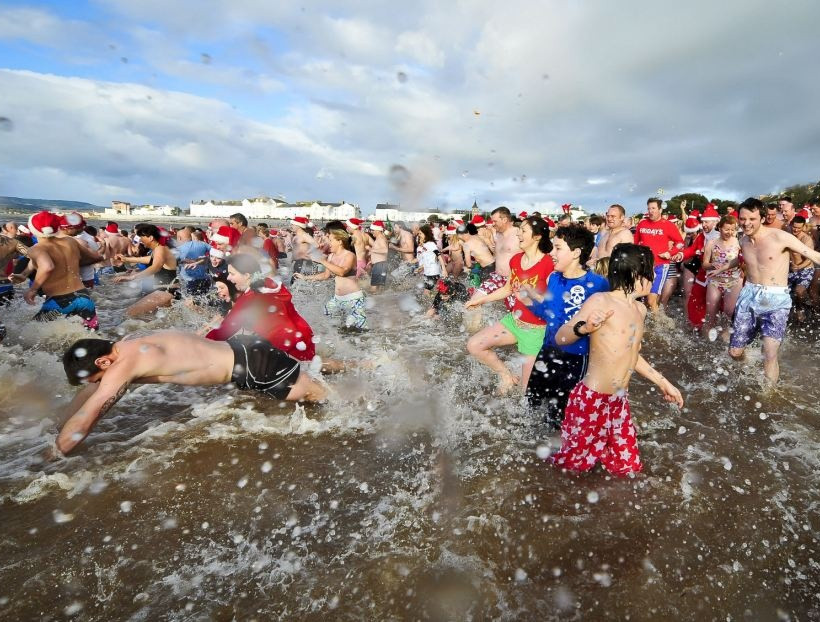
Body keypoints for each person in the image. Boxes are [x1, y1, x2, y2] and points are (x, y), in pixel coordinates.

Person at [50, 332, 328, 457]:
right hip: (244, 350)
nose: (102, 382)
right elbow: (92, 392)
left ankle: (367, 404)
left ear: (102, 363)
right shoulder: (129, 345)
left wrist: (53, 456)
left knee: (327, 400)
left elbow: (92, 412)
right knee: (312, 396)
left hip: (252, 366)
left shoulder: (123, 366)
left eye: (99, 376)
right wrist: (62, 425)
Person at [549, 243, 684, 475]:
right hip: (591, 401)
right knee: (572, 468)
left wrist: (663, 382)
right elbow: (561, 336)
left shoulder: (639, 310)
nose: (654, 276)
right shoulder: (602, 301)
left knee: (627, 468)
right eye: (651, 271)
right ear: (635, 273)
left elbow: (631, 355)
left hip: (618, 402)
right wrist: (585, 328)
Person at [524, 224, 610, 430]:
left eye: (558, 248)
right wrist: (531, 301)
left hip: (575, 360)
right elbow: (549, 311)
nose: (551, 253)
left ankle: (559, 456)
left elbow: (609, 326)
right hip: (547, 352)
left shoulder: (598, 285)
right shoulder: (554, 278)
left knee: (559, 418)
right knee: (530, 407)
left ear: (576, 253)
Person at [728, 198, 820, 384]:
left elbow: (813, 255)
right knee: (734, 352)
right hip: (749, 295)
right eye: (743, 219)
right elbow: (742, 259)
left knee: (770, 354)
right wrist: (722, 268)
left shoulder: (779, 237)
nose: (746, 223)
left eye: (752, 219)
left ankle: (769, 396)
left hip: (776, 299)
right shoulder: (743, 240)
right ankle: (749, 365)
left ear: (762, 218)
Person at [464, 217, 554, 394]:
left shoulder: (549, 264)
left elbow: (554, 302)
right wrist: (480, 300)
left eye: (524, 231)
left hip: (536, 330)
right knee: (474, 345)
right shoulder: (516, 260)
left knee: (525, 392)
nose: (519, 234)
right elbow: (508, 288)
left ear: (537, 237)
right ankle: (506, 375)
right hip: (514, 321)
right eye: (519, 229)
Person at [206, 253, 316, 361]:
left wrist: (200, 343)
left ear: (247, 275)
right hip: (303, 336)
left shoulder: (249, 300)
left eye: (232, 273)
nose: (228, 277)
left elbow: (223, 332)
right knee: (315, 365)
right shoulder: (268, 283)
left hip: (289, 349)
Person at [23, 211, 102, 329]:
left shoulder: (37, 248)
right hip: (84, 297)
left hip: (60, 302)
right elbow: (97, 257)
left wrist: (33, 290)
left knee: (30, 333)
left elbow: (47, 267)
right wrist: (73, 261)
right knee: (92, 339)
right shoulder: (71, 241)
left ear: (33, 229)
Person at [294, 228, 367, 330]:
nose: (328, 243)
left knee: (358, 329)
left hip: (354, 299)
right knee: (330, 324)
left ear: (340, 241)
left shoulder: (350, 255)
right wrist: (305, 277)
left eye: (331, 240)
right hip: (337, 299)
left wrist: (322, 261)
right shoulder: (331, 256)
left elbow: (342, 272)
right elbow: (325, 275)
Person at [113, 224, 179, 317]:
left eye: (141, 237)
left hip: (166, 291)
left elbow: (156, 267)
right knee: (150, 320)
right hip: (167, 290)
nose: (140, 240)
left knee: (130, 313)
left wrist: (132, 277)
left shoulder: (161, 248)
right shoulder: (159, 249)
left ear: (151, 237)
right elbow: (146, 259)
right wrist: (126, 259)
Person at [633, 197, 684, 313]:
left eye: (653, 208)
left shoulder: (668, 225)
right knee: (641, 299)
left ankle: (659, 327)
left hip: (660, 266)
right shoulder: (642, 224)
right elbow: (635, 243)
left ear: (660, 210)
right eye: (649, 208)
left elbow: (680, 243)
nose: (651, 211)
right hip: (643, 266)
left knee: (651, 301)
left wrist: (670, 253)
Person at [702, 215, 743, 340]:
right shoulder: (711, 243)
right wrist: (712, 265)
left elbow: (743, 260)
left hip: (734, 281)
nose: (729, 232)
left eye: (732, 230)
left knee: (729, 312)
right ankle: (706, 340)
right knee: (710, 313)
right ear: (719, 228)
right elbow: (704, 265)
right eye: (726, 229)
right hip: (715, 281)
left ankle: (724, 338)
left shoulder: (739, 242)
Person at [786, 215, 815, 323]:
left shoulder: (806, 239)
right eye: (794, 227)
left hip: (805, 269)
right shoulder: (787, 236)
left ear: (803, 227)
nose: (796, 229)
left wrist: (799, 267)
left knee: (799, 290)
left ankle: (800, 308)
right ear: (791, 225)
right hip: (791, 269)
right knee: (782, 293)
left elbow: (809, 259)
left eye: (799, 228)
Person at [175, 227, 212, 296]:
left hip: (188, 281)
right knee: (204, 300)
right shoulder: (203, 244)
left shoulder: (179, 249)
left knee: (189, 302)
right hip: (205, 279)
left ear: (179, 238)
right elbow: (214, 253)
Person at [415, 224, 445, 291]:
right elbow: (428, 259)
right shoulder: (425, 245)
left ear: (426, 234)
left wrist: (444, 270)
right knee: (429, 291)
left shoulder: (431, 244)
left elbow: (439, 255)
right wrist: (421, 268)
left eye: (420, 233)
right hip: (427, 272)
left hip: (433, 272)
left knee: (427, 292)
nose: (419, 235)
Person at [368, 221, 389, 293]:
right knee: (379, 288)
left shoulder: (381, 238)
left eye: (373, 230)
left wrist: (371, 249)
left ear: (378, 230)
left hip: (380, 265)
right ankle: (379, 303)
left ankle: (372, 303)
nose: (371, 231)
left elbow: (385, 250)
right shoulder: (379, 238)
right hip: (380, 264)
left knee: (373, 288)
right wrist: (371, 260)